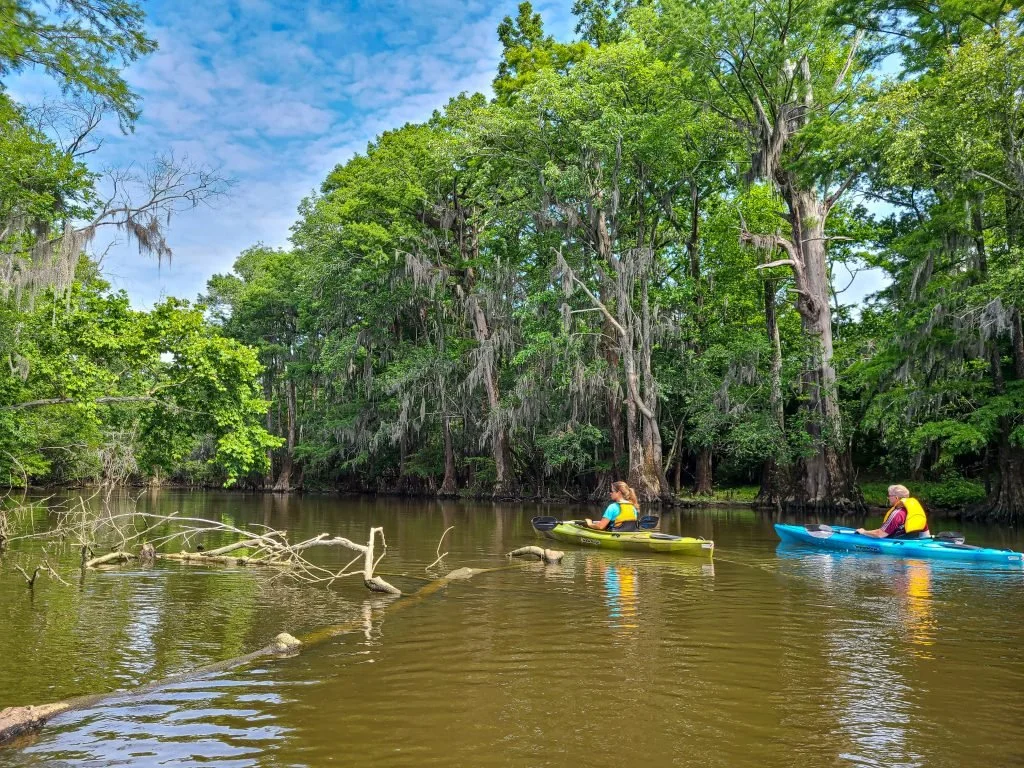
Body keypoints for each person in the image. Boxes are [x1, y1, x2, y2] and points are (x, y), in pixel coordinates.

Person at [856, 484, 930, 538]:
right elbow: (925, 535)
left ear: (896, 498)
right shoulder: (916, 512)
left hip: (896, 547)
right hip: (914, 544)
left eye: (889, 496)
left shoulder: (897, 514)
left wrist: (864, 532)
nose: (888, 498)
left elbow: (880, 534)